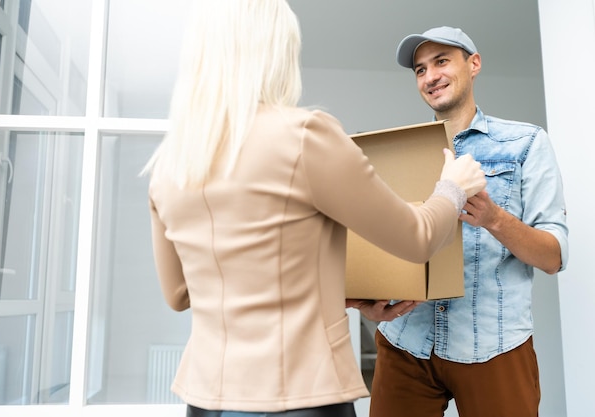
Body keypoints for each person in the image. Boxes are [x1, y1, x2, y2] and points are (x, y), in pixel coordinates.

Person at [142, 3, 486, 416]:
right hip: (300, 397)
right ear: (274, 50)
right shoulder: (303, 135)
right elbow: (417, 239)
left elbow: (180, 294)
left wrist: (339, 297)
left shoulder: (170, 163)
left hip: (205, 399)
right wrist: (454, 187)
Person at [366, 26, 569, 417]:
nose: (430, 76)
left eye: (441, 61)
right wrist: (371, 299)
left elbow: (553, 257)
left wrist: (494, 219)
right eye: (420, 69)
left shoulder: (526, 144)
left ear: (473, 64)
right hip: (406, 341)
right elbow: (385, 244)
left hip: (494, 344)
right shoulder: (400, 150)